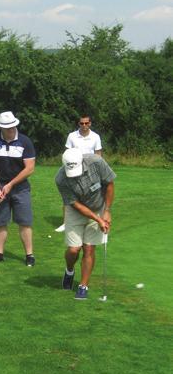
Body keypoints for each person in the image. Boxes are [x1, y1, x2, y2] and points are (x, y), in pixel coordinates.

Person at [55, 148, 116, 300]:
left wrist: (107, 211)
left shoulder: (96, 162)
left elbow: (109, 184)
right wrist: (98, 220)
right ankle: (69, 270)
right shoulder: (61, 179)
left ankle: (83, 286)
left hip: (98, 207)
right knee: (74, 250)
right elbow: (74, 204)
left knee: (89, 248)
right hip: (76, 211)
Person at [0, 111, 36, 266]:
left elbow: (29, 168)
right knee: (0, 221)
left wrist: (11, 184)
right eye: (7, 128)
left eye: (12, 127)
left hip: (21, 188)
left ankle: (29, 255)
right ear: (1, 128)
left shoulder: (25, 142)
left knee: (24, 221)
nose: (11, 130)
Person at [55, 115, 102, 233]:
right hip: (73, 168)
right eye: (82, 123)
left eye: (86, 123)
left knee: (91, 195)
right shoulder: (72, 136)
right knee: (68, 196)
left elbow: (98, 155)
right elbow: (67, 152)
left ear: (90, 123)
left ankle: (93, 220)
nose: (84, 126)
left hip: (89, 170)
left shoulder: (95, 137)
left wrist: (98, 171)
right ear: (79, 124)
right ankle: (66, 222)